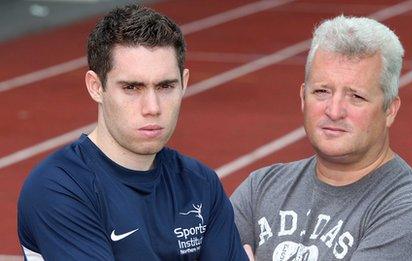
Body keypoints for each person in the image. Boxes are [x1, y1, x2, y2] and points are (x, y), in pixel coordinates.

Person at [18, 5, 247, 260]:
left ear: (184, 84)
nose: (152, 107)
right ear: (96, 87)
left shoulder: (201, 184)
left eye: (165, 86)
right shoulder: (60, 187)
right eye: (131, 87)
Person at [231, 15, 412, 260]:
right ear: (303, 98)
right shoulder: (260, 190)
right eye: (322, 91)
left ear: (390, 109)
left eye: (356, 96)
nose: (334, 111)